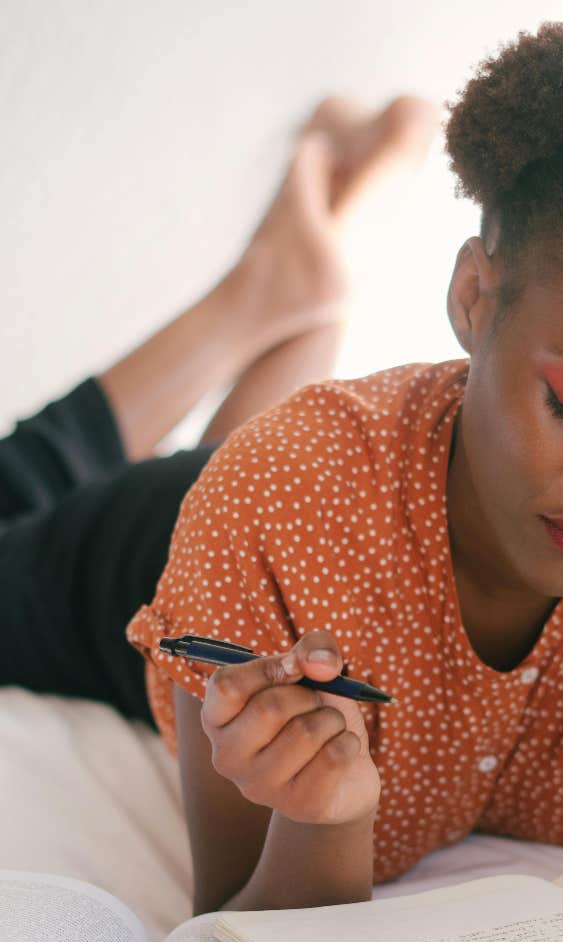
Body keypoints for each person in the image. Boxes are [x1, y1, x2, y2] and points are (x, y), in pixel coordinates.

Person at [127, 20, 563, 916]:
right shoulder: (280, 493)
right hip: (125, 546)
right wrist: (324, 824)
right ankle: (269, 285)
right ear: (475, 297)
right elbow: (235, 928)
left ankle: (302, 276)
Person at [0, 96, 438, 722]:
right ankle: (289, 257)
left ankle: (296, 254)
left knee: (38, 490)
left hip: (221, 556)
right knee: (51, 484)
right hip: (223, 553)